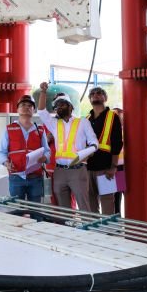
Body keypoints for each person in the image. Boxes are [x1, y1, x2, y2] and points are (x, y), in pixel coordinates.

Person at [37, 82, 98, 211]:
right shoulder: (54, 123)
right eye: (57, 106)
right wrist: (43, 92)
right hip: (59, 171)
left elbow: (94, 143)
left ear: (70, 106)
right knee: (63, 209)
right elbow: (41, 111)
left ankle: (86, 225)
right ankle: (67, 224)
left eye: (62, 104)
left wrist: (88, 153)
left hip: (78, 170)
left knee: (83, 206)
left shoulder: (83, 122)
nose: (59, 107)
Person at [0, 95, 50, 202]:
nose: (26, 107)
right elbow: (1, 152)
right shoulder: (9, 129)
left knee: (35, 209)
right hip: (16, 177)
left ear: (34, 110)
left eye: (30, 106)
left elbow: (47, 151)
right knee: (17, 209)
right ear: (17, 109)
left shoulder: (40, 130)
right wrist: (6, 163)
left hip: (36, 178)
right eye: (23, 105)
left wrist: (44, 157)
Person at [85, 87, 123, 215]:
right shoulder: (87, 118)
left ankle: (108, 228)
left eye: (99, 93)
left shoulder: (113, 116)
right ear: (90, 99)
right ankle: (94, 228)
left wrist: (113, 166)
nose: (95, 95)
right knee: (90, 203)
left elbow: (117, 143)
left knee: (107, 203)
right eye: (92, 94)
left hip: (106, 168)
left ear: (105, 98)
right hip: (88, 168)